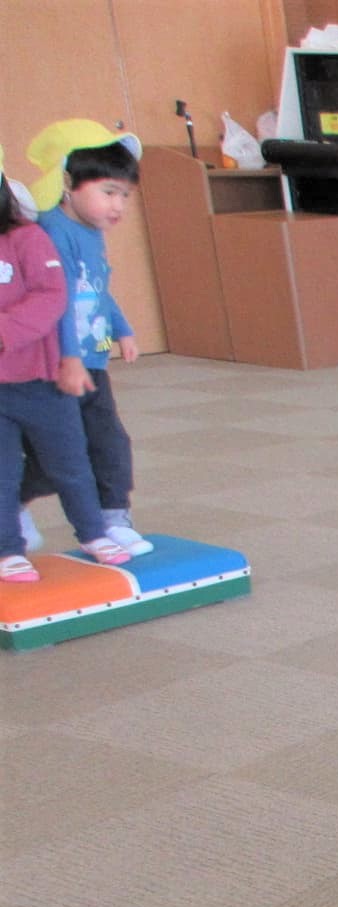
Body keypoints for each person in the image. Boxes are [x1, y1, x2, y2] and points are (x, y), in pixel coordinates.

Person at [17, 121, 153, 557]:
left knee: (109, 442)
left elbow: (97, 289)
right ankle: (12, 505)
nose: (119, 206)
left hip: (91, 365)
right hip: (55, 369)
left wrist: (122, 329)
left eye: (125, 195)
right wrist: (68, 360)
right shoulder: (52, 232)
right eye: (109, 192)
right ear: (67, 183)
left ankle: (114, 517)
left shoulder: (91, 233)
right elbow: (53, 304)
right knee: (57, 457)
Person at [0, 142, 127, 581]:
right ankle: (7, 549)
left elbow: (51, 296)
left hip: (40, 382)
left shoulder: (28, 238)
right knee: (2, 473)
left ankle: (94, 532)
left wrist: (4, 332)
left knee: (70, 464)